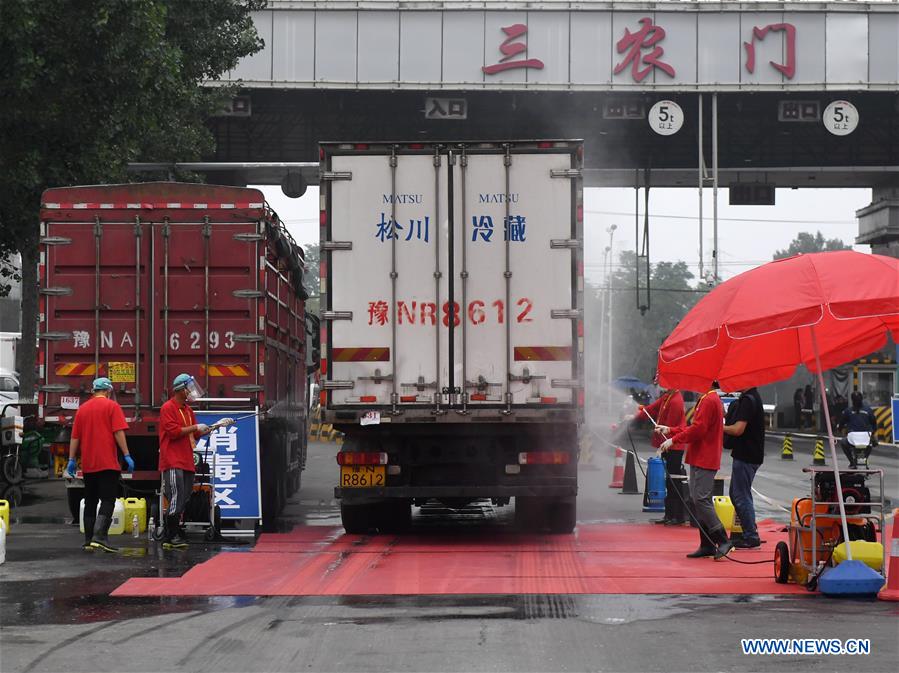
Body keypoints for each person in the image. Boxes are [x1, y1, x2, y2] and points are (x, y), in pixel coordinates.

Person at [658, 381, 732, 559]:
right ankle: (707, 543)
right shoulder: (706, 398)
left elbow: (698, 429)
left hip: (705, 457)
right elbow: (695, 427)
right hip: (701, 456)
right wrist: (670, 430)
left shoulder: (708, 400)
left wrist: (674, 439)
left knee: (701, 499)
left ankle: (722, 539)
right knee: (696, 499)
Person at [66, 377, 134, 552]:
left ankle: (89, 541)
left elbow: (75, 437)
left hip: (89, 464)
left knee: (90, 500)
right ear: (108, 391)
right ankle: (100, 536)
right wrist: (127, 455)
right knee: (108, 499)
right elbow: (118, 432)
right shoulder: (112, 407)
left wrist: (71, 460)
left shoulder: (82, 409)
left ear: (93, 391)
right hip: (108, 463)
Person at [158, 373, 211, 549]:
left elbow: (193, 434)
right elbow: (173, 432)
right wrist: (196, 427)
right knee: (175, 496)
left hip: (187, 459)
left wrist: (209, 428)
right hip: (173, 460)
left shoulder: (188, 410)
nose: (192, 391)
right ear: (180, 389)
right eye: (189, 387)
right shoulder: (168, 408)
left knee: (185, 496)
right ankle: (170, 535)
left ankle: (175, 530)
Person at [627, 385, 687, 525]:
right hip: (668, 445)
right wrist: (634, 418)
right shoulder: (667, 397)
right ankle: (669, 514)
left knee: (673, 481)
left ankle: (676, 516)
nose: (661, 385)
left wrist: (664, 444)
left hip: (674, 445)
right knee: (669, 480)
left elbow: (669, 428)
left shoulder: (676, 401)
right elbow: (650, 410)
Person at [723, 387, 765, 549]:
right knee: (736, 494)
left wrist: (718, 427)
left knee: (741, 496)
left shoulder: (748, 400)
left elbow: (738, 429)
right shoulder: (749, 397)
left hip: (747, 455)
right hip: (745, 453)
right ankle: (749, 530)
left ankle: (751, 536)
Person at [837, 391, 878, 468]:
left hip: (852, 439)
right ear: (862, 399)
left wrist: (839, 429)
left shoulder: (848, 411)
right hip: (866, 438)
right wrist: (873, 434)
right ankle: (865, 458)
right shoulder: (868, 410)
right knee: (870, 444)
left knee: (843, 442)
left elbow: (841, 424)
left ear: (852, 400)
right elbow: (874, 423)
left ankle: (852, 462)